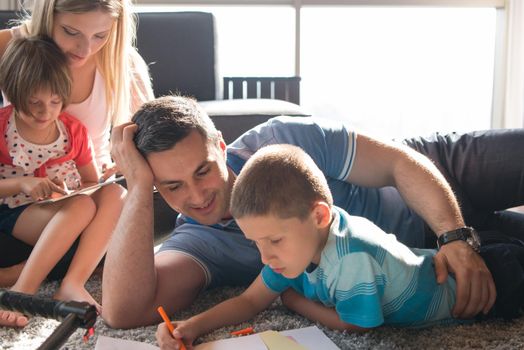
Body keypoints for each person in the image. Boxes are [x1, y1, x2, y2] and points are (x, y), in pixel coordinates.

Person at [104, 95, 523, 329]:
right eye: (172, 186)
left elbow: (399, 164)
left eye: (203, 171)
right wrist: (137, 187)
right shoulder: (198, 241)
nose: (197, 196)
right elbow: (123, 313)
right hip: (420, 256)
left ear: (219, 144)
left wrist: (454, 235)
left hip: (437, 172)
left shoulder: (282, 137)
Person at [155, 144, 524, 349]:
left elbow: (356, 326)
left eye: (273, 241)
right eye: (256, 243)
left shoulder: (351, 259)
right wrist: (192, 326)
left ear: (318, 216)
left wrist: (294, 301)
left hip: (490, 285)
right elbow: (250, 301)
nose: (264, 256)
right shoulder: (291, 248)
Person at [0, 0, 153, 301]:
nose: (85, 49)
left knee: (119, 203)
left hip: (87, 198)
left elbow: (151, 133)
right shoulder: (9, 47)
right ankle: (29, 275)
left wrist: (128, 159)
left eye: (100, 35)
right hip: (19, 205)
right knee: (104, 237)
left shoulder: (120, 61)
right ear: (47, 14)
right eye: (71, 31)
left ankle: (64, 280)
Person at [0, 36, 116, 327]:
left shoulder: (71, 131)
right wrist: (22, 183)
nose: (45, 112)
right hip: (16, 212)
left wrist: (101, 179)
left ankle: (72, 282)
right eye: (34, 102)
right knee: (81, 209)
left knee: (117, 194)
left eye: (55, 102)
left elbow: (89, 182)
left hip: (64, 211)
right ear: (12, 92)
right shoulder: (3, 127)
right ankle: (21, 291)